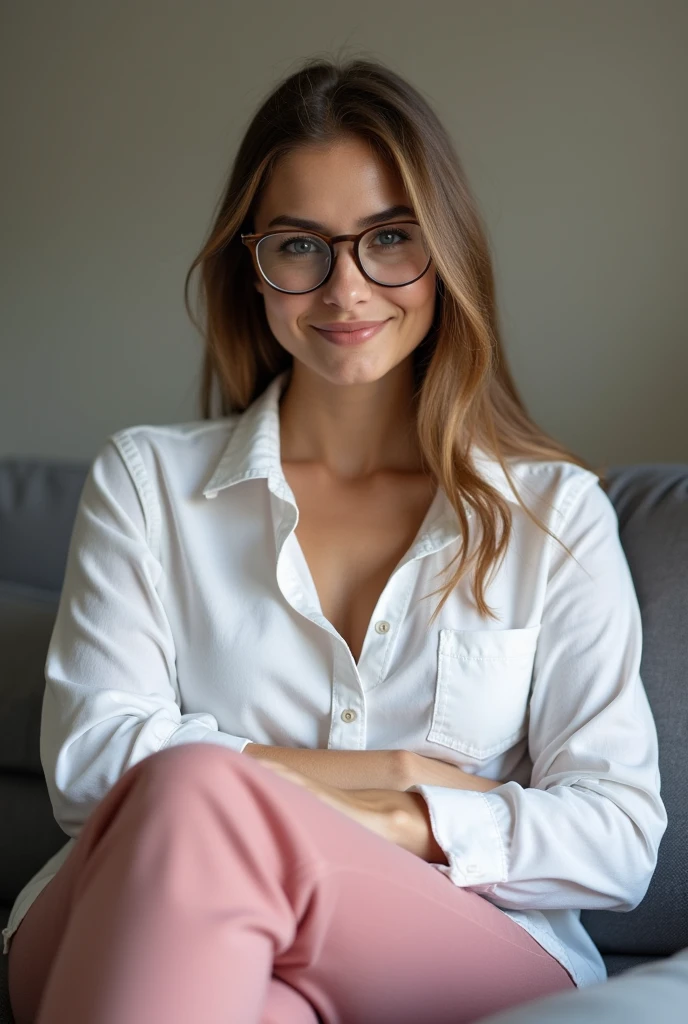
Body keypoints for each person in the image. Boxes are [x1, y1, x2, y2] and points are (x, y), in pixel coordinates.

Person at [5, 54, 667, 1024]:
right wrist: (393, 768)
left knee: (191, 792)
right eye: (300, 245)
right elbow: (96, 761)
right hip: (126, 909)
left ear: (442, 252)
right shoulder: (146, 482)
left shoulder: (551, 514)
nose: (346, 289)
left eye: (387, 238)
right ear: (253, 262)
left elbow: (615, 835)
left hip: (452, 937)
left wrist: (365, 818)